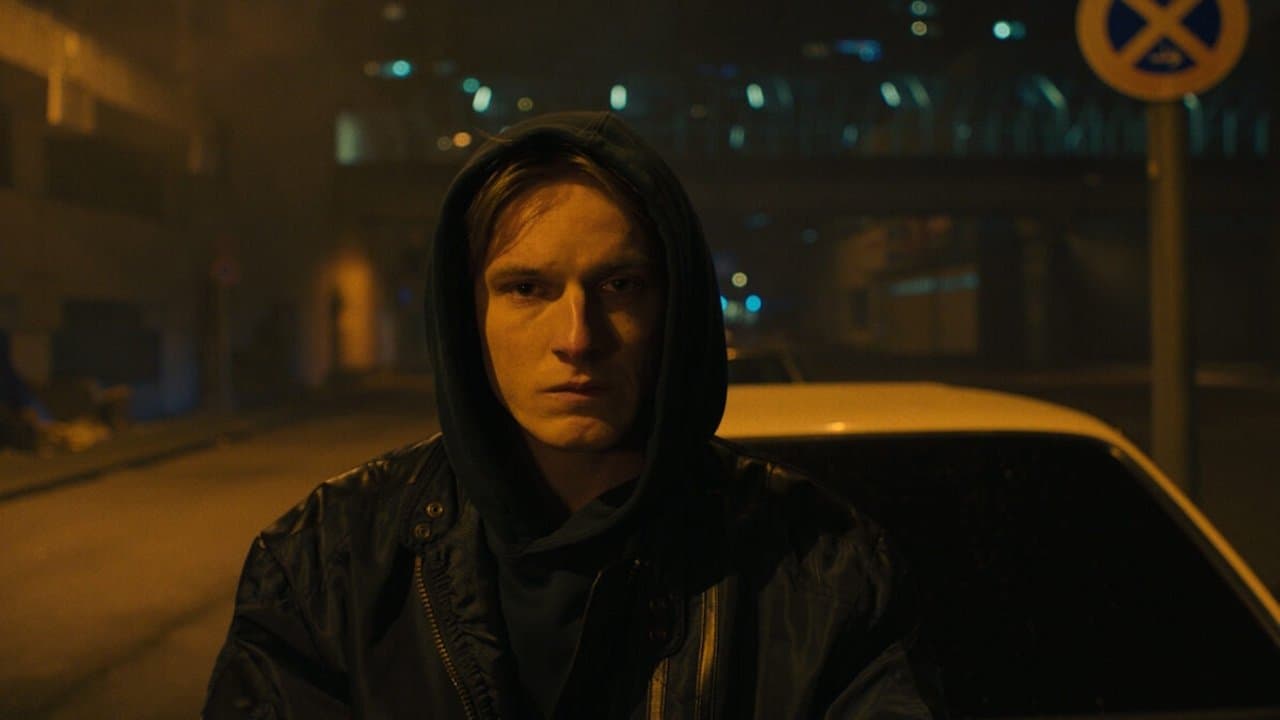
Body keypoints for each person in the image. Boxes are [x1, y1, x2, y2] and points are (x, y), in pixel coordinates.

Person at [204, 112, 945, 718]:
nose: (577, 338)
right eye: (527, 288)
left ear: (674, 308)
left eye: (620, 285)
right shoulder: (327, 568)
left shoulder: (816, 569)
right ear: (468, 316)